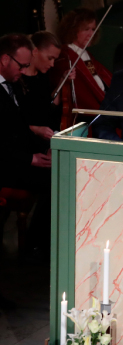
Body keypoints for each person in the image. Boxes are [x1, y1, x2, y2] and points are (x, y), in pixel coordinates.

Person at [0, 33, 52, 254]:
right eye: (20, 66)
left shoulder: (12, 83)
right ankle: (38, 245)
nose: (22, 71)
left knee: (62, 173)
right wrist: (31, 159)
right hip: (6, 164)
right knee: (57, 179)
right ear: (4, 59)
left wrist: (44, 150)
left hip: (17, 157)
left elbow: (18, 127)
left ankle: (40, 243)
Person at [51, 8, 112, 129]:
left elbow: (102, 78)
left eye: (93, 29)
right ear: (73, 30)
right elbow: (79, 96)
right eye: (86, 29)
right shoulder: (66, 55)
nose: (91, 34)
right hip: (90, 117)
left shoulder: (86, 54)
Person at [16, 31, 74, 136]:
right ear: (35, 51)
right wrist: (36, 130)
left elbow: (49, 107)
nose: (52, 64)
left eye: (54, 60)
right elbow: (13, 120)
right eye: (50, 58)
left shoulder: (43, 76)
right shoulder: (16, 78)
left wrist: (63, 80)